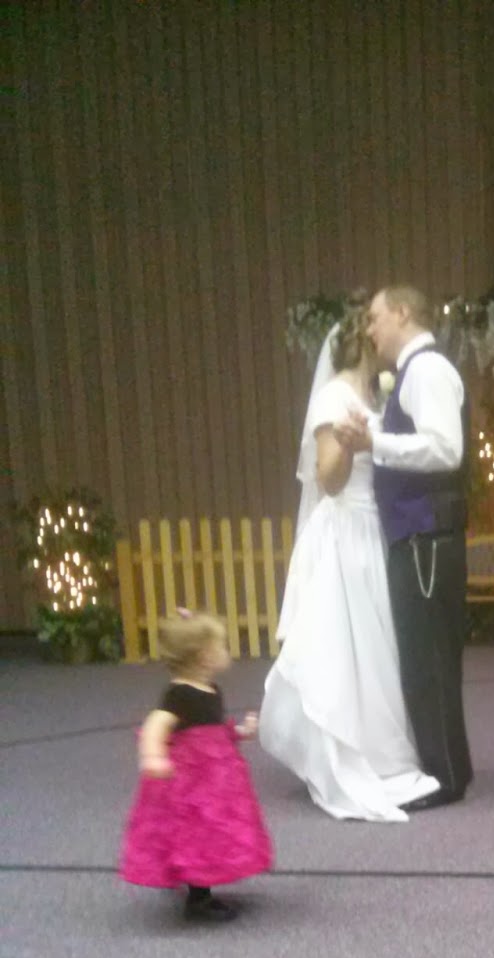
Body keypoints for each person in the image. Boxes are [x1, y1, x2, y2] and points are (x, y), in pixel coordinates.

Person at [258, 295, 442, 819]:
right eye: (376, 332)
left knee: (382, 649)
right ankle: (363, 759)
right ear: (363, 341)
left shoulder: (377, 394)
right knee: (354, 649)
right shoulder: (334, 397)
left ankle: (388, 756)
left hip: (376, 532)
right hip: (347, 535)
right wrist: (346, 443)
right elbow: (329, 480)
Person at [336, 283, 473, 810]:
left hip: (424, 535)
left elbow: (445, 449)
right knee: (427, 658)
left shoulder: (428, 370)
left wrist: (374, 442)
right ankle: (449, 767)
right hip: (421, 535)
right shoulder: (417, 371)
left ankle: (444, 777)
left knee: (427, 661)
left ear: (401, 312)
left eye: (375, 317)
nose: (369, 329)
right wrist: (373, 428)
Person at [119, 610, 272, 922]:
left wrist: (239, 732)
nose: (226, 653)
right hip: (192, 781)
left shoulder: (210, 689)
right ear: (204, 657)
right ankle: (199, 898)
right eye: (221, 647)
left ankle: (195, 880)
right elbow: (156, 725)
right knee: (195, 831)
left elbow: (212, 729)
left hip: (215, 777)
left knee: (210, 831)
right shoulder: (179, 694)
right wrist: (152, 756)